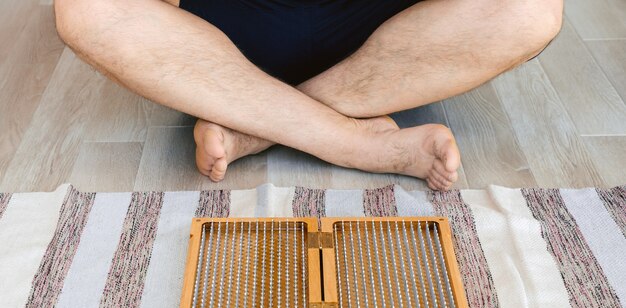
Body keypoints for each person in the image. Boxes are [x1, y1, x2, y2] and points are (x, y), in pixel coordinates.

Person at [54, 0, 562, 191]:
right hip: (225, 31)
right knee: (85, 9)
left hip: (382, 31)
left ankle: (253, 129)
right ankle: (360, 143)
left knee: (532, 9)